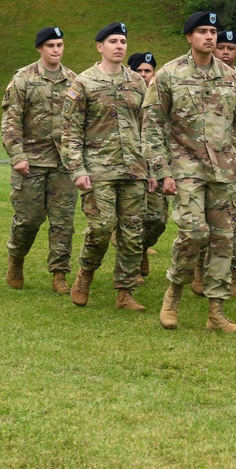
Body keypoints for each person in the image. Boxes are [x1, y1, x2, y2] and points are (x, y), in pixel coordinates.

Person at [143, 11, 236, 332]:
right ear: (189, 37)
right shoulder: (169, 75)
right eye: (202, 32)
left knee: (224, 240)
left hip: (226, 172)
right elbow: (152, 126)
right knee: (194, 234)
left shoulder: (233, 78)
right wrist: (161, 170)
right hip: (185, 171)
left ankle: (216, 312)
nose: (210, 37)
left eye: (213, 31)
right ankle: (173, 294)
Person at [61, 22, 149, 310]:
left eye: (123, 41)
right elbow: (71, 131)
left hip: (134, 169)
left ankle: (125, 291)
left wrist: (153, 167)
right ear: (100, 46)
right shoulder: (83, 83)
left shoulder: (138, 82)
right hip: (98, 169)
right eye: (113, 41)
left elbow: (148, 126)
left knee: (134, 232)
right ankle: (85, 272)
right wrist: (77, 169)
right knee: (101, 226)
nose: (119, 46)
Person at [1, 26, 79, 293]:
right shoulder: (24, 78)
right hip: (31, 162)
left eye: (59, 45)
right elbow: (11, 121)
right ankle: (16, 258)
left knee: (63, 221)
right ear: (40, 49)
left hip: (63, 163)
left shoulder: (73, 79)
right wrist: (18, 156)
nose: (56, 50)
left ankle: (59, 274)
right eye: (50, 46)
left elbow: (80, 122)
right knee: (29, 219)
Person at [192, 28, 236, 300]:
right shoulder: (199, 79)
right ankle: (200, 272)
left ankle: (231, 278)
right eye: (220, 47)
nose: (224, 52)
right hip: (207, 164)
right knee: (205, 224)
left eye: (230, 48)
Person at [129, 52, 165, 284]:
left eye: (147, 71)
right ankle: (130, 269)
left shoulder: (161, 95)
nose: (143, 75)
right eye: (139, 71)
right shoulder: (124, 93)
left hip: (155, 165)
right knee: (130, 219)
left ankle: (143, 249)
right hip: (127, 164)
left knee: (156, 219)